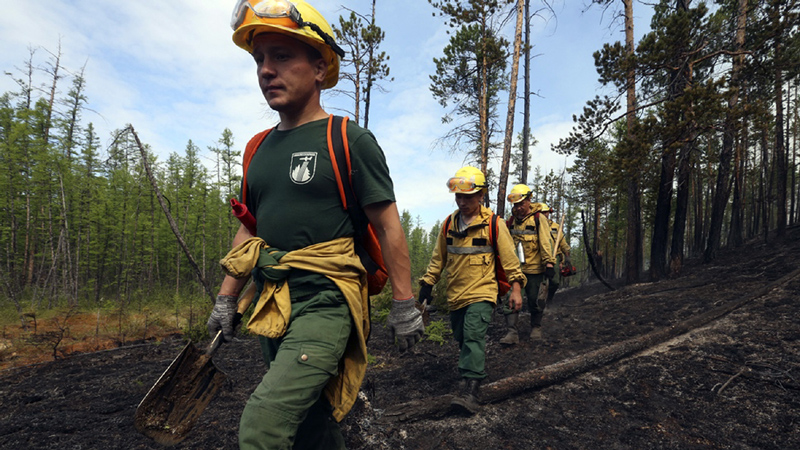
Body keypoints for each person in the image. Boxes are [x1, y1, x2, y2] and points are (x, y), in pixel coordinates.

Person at [207, 1, 424, 448]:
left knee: (263, 425)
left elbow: (388, 227)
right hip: (272, 302)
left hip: (326, 301)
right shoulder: (257, 149)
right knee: (312, 423)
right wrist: (226, 298)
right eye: (259, 59)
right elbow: (250, 229)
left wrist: (405, 304)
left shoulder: (348, 139)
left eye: (282, 56)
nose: (266, 70)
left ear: (320, 68)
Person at [417, 166, 525, 415]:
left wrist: (516, 288)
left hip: (483, 292)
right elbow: (438, 258)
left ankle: (471, 390)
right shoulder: (449, 224)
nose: (462, 202)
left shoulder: (494, 224)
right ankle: (468, 376)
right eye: (458, 197)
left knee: (473, 335)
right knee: (462, 337)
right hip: (456, 295)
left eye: (468, 197)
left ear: (480, 196)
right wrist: (427, 284)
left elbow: (510, 260)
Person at [499, 185, 557, 345]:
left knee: (535, 300)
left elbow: (545, 242)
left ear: (529, 200)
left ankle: (536, 327)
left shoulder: (539, 219)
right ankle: (512, 332)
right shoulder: (511, 221)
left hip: (535, 270)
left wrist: (549, 264)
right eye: (516, 204)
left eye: (521, 204)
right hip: (516, 270)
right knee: (511, 300)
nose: (518, 208)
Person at [540, 203, 572, 302]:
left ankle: (549, 299)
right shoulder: (536, 225)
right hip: (540, 257)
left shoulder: (556, 227)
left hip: (554, 257)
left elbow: (563, 243)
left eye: (546, 212)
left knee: (554, 282)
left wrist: (567, 256)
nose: (544, 214)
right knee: (539, 281)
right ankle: (538, 301)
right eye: (542, 212)